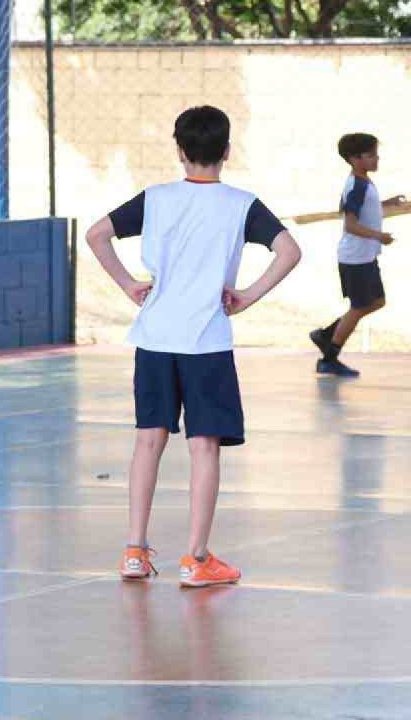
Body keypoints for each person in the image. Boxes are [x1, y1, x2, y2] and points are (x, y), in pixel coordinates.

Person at [85, 106, 301, 587]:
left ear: (179, 151)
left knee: (148, 440)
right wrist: (247, 295)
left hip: (155, 338)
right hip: (206, 342)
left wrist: (126, 284)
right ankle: (196, 558)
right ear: (226, 152)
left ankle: (134, 551)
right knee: (205, 447)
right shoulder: (242, 204)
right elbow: (289, 251)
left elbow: (96, 234)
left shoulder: (156, 198)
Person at [309, 133, 400, 377]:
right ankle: (329, 358)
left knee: (376, 302)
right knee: (360, 307)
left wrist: (388, 204)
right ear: (354, 159)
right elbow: (350, 224)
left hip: (365, 257)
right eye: (370, 155)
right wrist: (379, 236)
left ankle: (327, 334)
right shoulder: (358, 185)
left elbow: (361, 209)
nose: (376, 158)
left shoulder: (362, 181)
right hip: (356, 258)